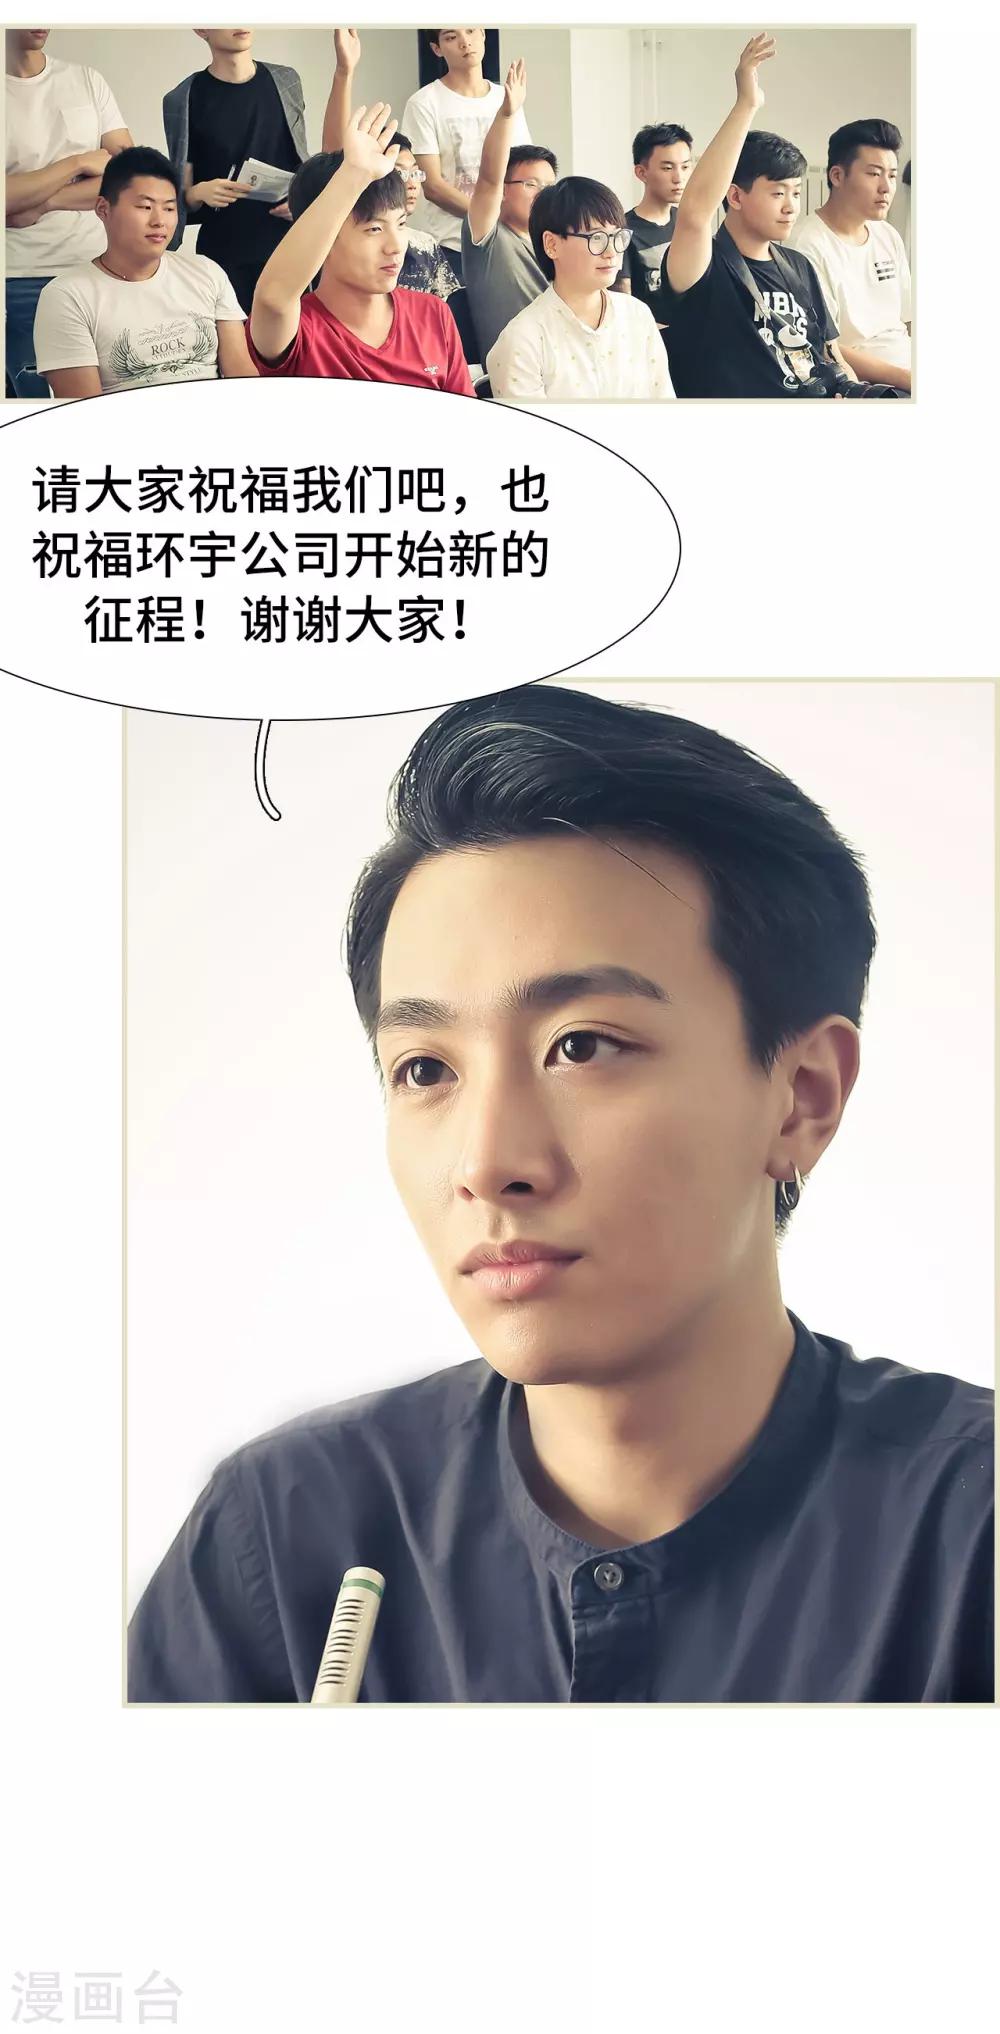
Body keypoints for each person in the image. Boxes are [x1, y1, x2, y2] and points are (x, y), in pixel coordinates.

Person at [127, 683, 994, 1704]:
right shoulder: (280, 1537)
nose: (487, 1162)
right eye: (424, 1069)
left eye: (582, 1046)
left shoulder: (969, 1536)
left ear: (801, 1096)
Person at [662, 33, 862, 398]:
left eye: (796, 193)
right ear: (735, 196)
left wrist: (853, 392)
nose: (791, 206)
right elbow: (694, 213)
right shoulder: (705, 266)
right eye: (777, 193)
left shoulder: (800, 266)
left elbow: (831, 355)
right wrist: (747, 104)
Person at [248, 101, 473, 392]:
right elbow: (273, 297)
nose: (396, 246)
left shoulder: (433, 314)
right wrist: (353, 174)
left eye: (401, 224)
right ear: (325, 236)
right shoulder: (300, 330)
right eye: (374, 229)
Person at [33, 146, 255, 396]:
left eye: (169, 208)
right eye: (145, 207)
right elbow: (84, 409)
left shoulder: (206, 272)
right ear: (103, 209)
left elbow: (242, 375)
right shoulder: (67, 297)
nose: (159, 221)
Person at [5, 26, 133, 398]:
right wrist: (77, 162)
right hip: (19, 278)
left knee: (115, 396)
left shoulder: (86, 80)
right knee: (38, 406)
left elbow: (127, 176)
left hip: (98, 269)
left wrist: (43, 200)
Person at [322, 31, 467, 325]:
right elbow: (334, 158)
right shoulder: (341, 238)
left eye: (415, 172)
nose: (411, 183)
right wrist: (344, 72)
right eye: (400, 172)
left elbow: (446, 313)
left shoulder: (426, 244)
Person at [486, 175, 673, 401]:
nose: (611, 252)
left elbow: (664, 405)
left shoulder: (637, 314)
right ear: (552, 245)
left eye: (617, 236)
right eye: (596, 237)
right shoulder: (522, 339)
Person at [162, 27, 307, 314]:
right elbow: (182, 192)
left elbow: (302, 157)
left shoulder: (286, 80)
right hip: (225, 254)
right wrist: (198, 192)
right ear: (201, 28)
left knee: (295, 338)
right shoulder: (182, 98)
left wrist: (303, 199)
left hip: (289, 246)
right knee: (234, 340)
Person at [401, 27, 531, 278]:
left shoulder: (505, 97)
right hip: (455, 246)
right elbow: (433, 186)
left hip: (511, 244)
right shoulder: (424, 102)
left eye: (471, 31)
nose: (465, 42)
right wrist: (489, 219)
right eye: (451, 37)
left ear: (483, 34)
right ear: (437, 49)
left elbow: (524, 168)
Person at [794, 119, 911, 392]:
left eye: (892, 176)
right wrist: (907, 379)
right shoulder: (805, 245)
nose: (886, 187)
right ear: (837, 176)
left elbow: (907, 320)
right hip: (869, 385)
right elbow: (823, 346)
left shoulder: (887, 235)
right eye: (874, 174)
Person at [460, 56, 555, 368]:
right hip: (513, 370)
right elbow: (489, 177)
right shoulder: (488, 237)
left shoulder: (555, 241)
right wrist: (506, 114)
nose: (542, 193)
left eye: (549, 185)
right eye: (530, 184)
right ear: (503, 190)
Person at [621, 122, 693, 328]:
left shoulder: (690, 223)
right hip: (651, 339)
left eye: (685, 167)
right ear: (641, 173)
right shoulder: (623, 232)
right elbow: (623, 307)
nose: (679, 178)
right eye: (667, 168)